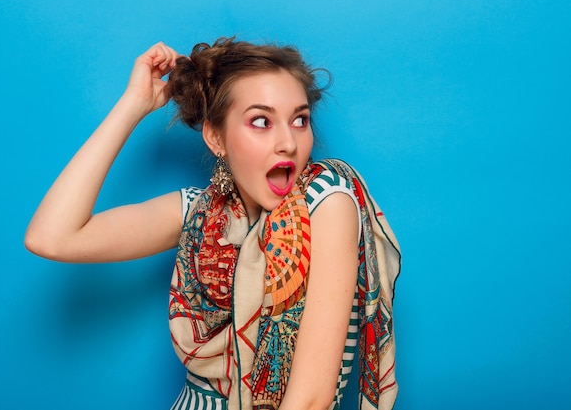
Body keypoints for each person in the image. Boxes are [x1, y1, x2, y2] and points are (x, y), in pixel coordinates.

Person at [25, 37, 401, 410]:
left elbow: (310, 400)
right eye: (261, 121)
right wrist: (134, 104)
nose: (288, 142)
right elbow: (52, 237)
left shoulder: (328, 201)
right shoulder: (197, 214)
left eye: (299, 120)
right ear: (216, 137)